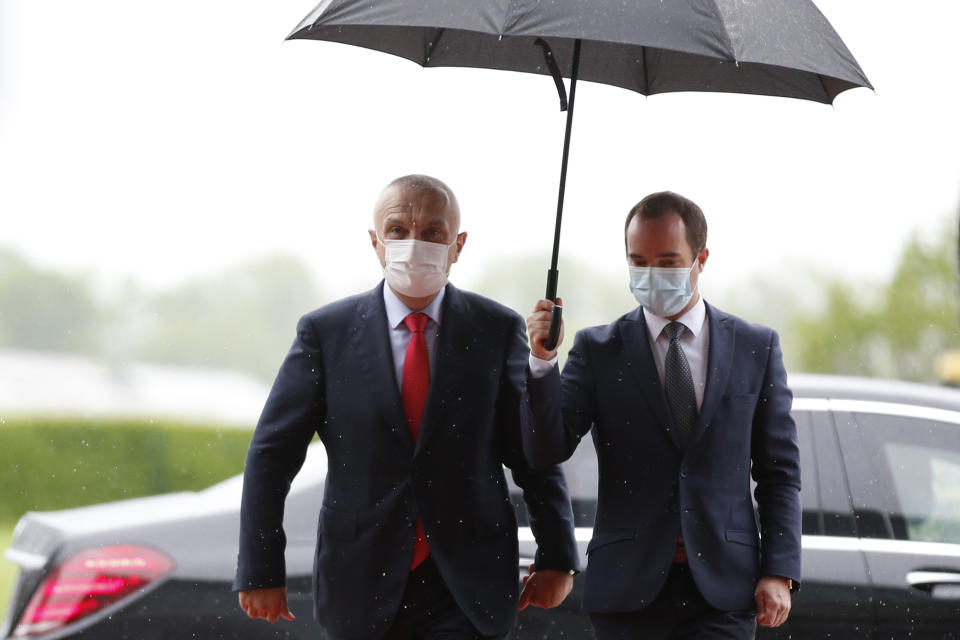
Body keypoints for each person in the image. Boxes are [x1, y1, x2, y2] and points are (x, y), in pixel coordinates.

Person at [233, 174, 579, 640]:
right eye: (398, 230)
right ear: (375, 242)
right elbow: (272, 456)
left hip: (467, 582)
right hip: (360, 578)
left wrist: (557, 556)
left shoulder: (496, 329)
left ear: (458, 245)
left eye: (433, 232)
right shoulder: (325, 333)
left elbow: (531, 452)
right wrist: (260, 567)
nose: (414, 244)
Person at [523, 191, 801, 639]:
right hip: (627, 592)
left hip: (724, 593)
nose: (652, 275)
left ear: (701, 259)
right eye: (639, 261)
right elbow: (545, 447)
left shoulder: (756, 346)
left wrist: (780, 570)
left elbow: (779, 473)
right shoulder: (598, 350)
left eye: (669, 263)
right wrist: (541, 363)